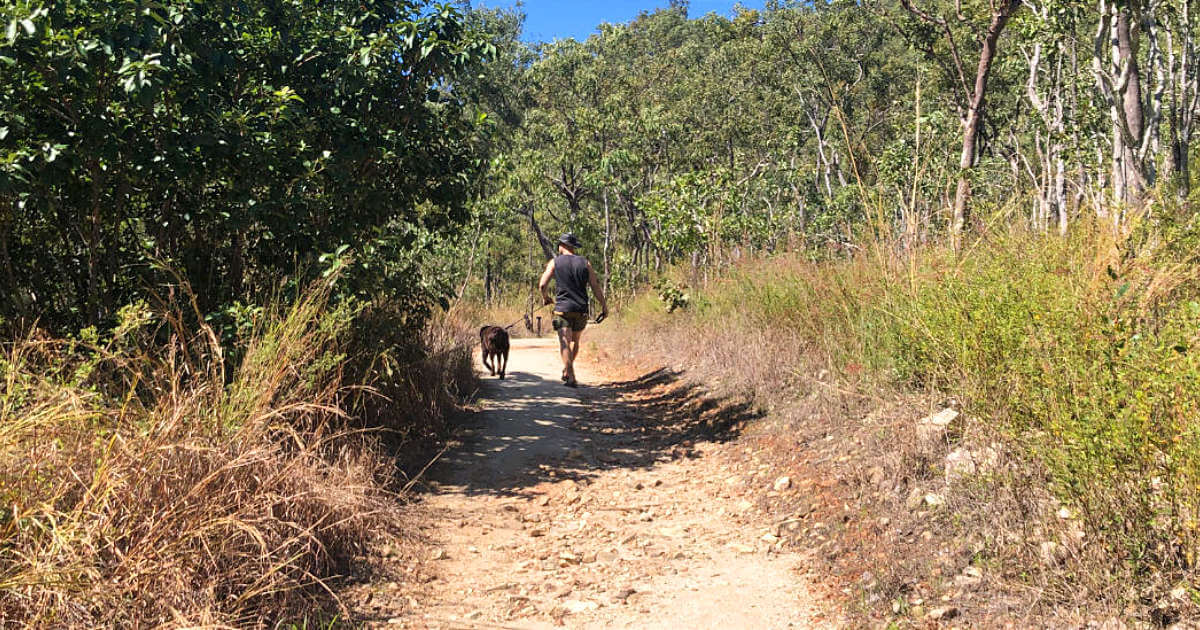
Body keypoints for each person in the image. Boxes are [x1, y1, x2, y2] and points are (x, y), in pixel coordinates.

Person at [538, 233, 608, 387]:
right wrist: (604, 305)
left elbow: (542, 285)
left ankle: (571, 375)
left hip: (562, 309)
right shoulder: (585, 263)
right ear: (573, 247)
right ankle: (567, 369)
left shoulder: (554, 262)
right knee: (575, 341)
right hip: (581, 309)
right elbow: (595, 287)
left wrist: (546, 297)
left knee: (564, 342)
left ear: (562, 246)